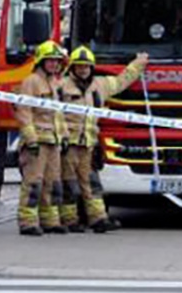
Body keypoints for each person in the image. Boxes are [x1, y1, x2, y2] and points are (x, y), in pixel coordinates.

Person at [59, 47, 149, 234]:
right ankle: (70, 220)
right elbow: (53, 113)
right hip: (69, 144)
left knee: (91, 183)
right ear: (72, 68)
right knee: (69, 183)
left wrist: (138, 64)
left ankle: (98, 219)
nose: (83, 70)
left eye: (86, 67)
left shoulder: (100, 85)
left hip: (88, 144)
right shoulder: (61, 86)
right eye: (79, 66)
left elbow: (122, 80)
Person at [16, 40, 71, 236]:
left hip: (54, 142)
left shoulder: (56, 84)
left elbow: (59, 114)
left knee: (53, 182)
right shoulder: (31, 81)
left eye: (57, 61)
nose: (55, 64)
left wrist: (64, 136)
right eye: (51, 61)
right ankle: (27, 221)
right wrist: (30, 139)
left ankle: (50, 221)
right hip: (37, 142)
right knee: (33, 182)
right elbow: (24, 112)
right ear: (41, 62)